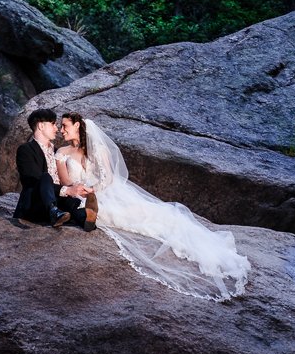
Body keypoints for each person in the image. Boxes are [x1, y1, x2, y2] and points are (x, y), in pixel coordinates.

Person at [55, 112, 250, 300]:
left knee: (148, 216)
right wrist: (79, 190)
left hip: (101, 192)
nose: (61, 130)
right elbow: (65, 182)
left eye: (65, 126)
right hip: (79, 195)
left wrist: (94, 189)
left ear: (77, 125)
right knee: (106, 214)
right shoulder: (62, 153)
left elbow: (108, 177)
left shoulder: (97, 148)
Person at [12, 109, 83, 229]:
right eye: (53, 124)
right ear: (41, 126)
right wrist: (66, 190)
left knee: (75, 203)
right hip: (35, 205)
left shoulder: (58, 152)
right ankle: (53, 211)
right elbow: (32, 180)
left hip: (59, 201)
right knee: (45, 177)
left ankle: (85, 219)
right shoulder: (25, 150)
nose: (57, 129)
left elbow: (63, 179)